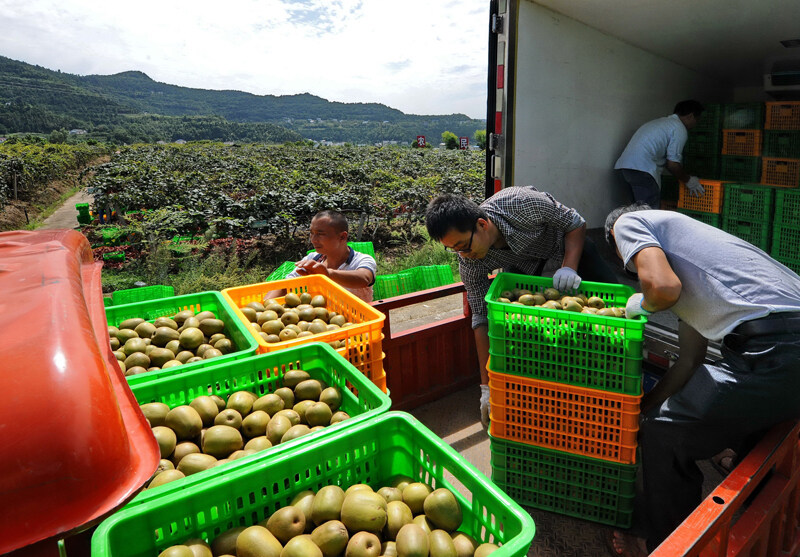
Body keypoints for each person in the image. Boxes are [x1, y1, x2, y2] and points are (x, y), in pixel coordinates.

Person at [604, 204, 800, 556]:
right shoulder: (700, 259)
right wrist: (645, 408)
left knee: (664, 436)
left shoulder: (628, 222)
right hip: (782, 359)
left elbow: (662, 289)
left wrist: (642, 304)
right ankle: (777, 523)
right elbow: (690, 361)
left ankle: (664, 544)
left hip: (776, 351)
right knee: (738, 428)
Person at [425, 186, 618, 428]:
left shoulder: (521, 203)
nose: (462, 255)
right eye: (453, 249)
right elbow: (480, 316)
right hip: (527, 267)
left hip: (567, 248)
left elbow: (575, 223)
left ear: (482, 225)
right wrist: (487, 387)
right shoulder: (471, 263)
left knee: (615, 308)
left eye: (463, 245)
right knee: (536, 336)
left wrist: (569, 266)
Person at [265, 210, 377, 302]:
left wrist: (327, 274)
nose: (313, 240)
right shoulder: (313, 259)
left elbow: (364, 279)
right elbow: (286, 285)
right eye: (312, 233)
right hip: (321, 321)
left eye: (320, 234)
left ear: (342, 237)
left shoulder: (362, 260)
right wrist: (264, 306)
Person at [615, 100, 706, 209]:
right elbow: (673, 164)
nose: (696, 124)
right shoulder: (679, 129)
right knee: (649, 214)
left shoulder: (659, 123)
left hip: (625, 168)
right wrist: (689, 180)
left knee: (637, 213)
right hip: (643, 170)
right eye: (697, 120)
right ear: (691, 116)